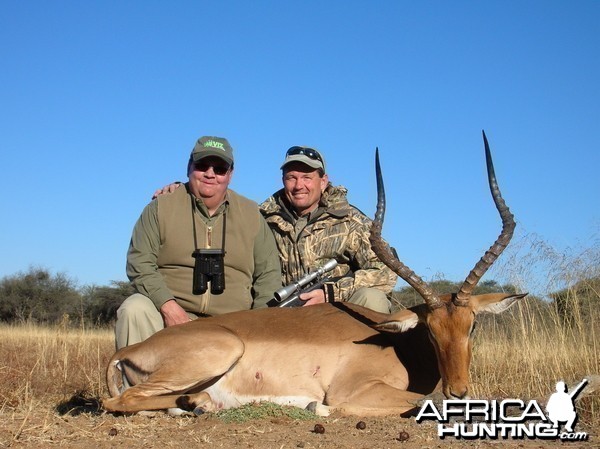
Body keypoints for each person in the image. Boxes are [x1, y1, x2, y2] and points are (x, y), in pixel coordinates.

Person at [116, 136, 282, 350]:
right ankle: (137, 383)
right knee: (134, 309)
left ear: (230, 175)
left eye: (220, 169)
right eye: (202, 165)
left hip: (232, 326)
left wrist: (258, 326)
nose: (210, 174)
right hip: (171, 317)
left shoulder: (251, 214)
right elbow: (139, 262)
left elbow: (268, 276)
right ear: (189, 168)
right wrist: (169, 307)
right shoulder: (160, 208)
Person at [260, 146, 397, 312]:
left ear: (323, 181)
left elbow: (386, 272)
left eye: (307, 177)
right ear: (283, 180)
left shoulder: (351, 221)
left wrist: (331, 293)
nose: (299, 185)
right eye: (291, 177)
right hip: (286, 315)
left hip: (335, 314)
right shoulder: (263, 220)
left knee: (372, 299)